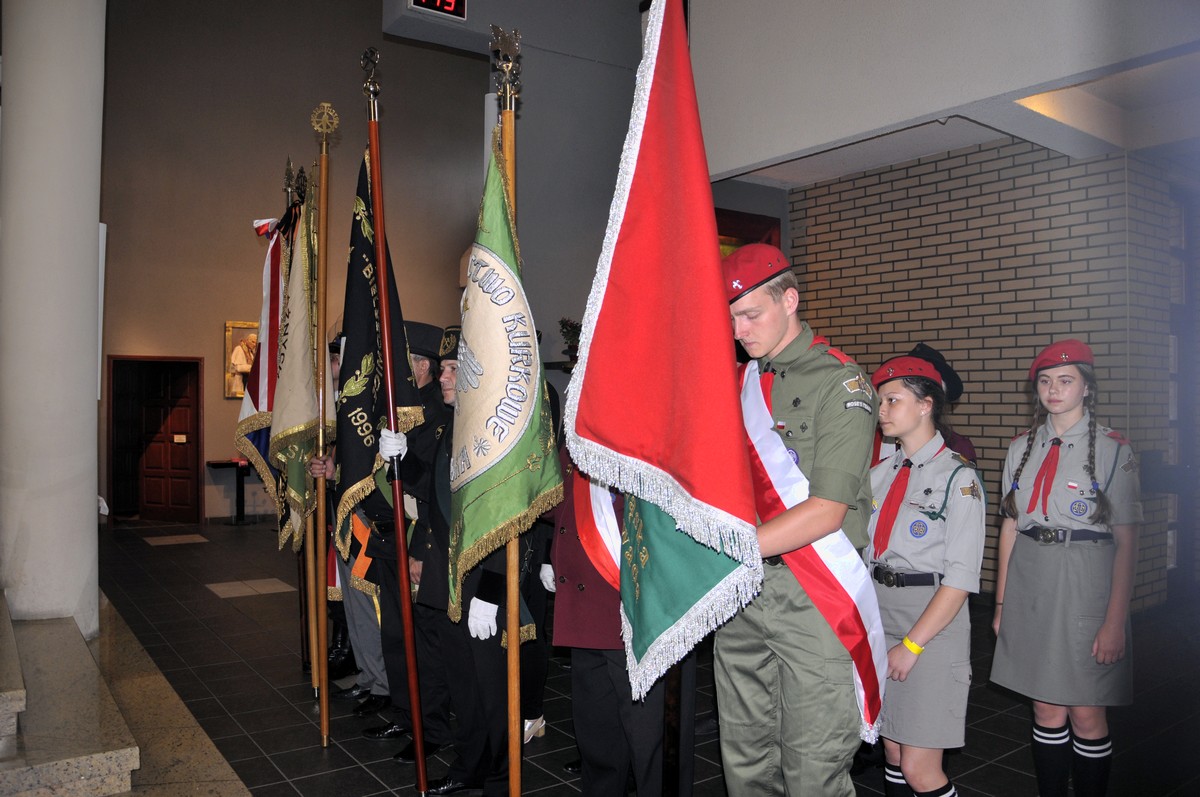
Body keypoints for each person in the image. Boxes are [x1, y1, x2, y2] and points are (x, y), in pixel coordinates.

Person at [718, 243, 879, 795]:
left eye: (750, 315)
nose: (739, 331)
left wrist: (729, 547)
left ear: (789, 300)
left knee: (813, 769)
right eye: (731, 319)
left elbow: (826, 511)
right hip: (743, 591)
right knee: (746, 761)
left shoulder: (841, 383)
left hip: (814, 593)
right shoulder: (735, 383)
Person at [991, 339, 1141, 797]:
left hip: (1085, 582)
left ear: (1086, 388)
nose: (1053, 390)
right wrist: (1001, 605)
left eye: (1065, 380)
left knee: (1087, 711)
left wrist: (1114, 621)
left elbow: (1127, 542)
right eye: (1045, 381)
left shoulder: (1113, 449)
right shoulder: (1021, 448)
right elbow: (1010, 528)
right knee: (1045, 709)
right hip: (1030, 579)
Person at [867, 355, 985, 797]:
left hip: (930, 622)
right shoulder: (880, 474)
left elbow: (960, 580)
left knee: (920, 768)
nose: (882, 410)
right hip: (880, 612)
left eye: (893, 400)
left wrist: (912, 645)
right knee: (893, 750)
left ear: (925, 405)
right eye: (880, 401)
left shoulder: (959, 478)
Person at [546, 449, 696, 796]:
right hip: (587, 609)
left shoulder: (655, 429)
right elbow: (558, 500)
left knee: (654, 753)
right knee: (599, 748)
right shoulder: (580, 435)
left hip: (643, 611)